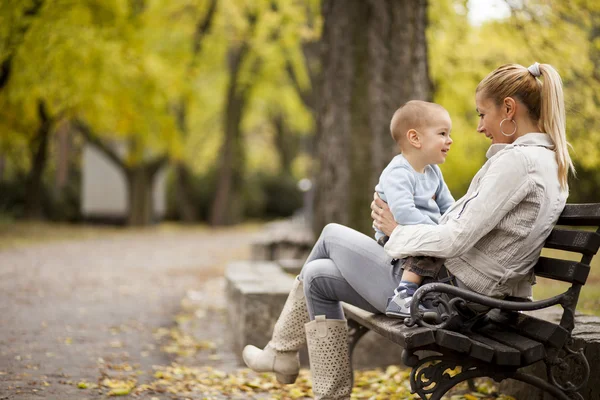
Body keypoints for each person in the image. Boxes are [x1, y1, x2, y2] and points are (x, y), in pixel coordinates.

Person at [242, 62, 574, 400]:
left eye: (482, 113)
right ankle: (313, 380)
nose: (478, 127)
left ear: (508, 108)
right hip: (458, 295)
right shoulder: (547, 162)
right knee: (316, 275)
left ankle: (280, 351)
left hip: (441, 297)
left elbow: (455, 237)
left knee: (329, 234)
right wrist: (512, 303)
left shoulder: (518, 162)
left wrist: (397, 230)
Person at [373, 100, 454, 319]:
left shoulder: (433, 172)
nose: (450, 140)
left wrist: (452, 225)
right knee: (425, 247)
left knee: (430, 244)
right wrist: (437, 231)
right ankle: (403, 295)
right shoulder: (399, 172)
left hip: (416, 231)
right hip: (395, 235)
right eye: (443, 133)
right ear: (415, 138)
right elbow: (403, 213)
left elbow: (449, 206)